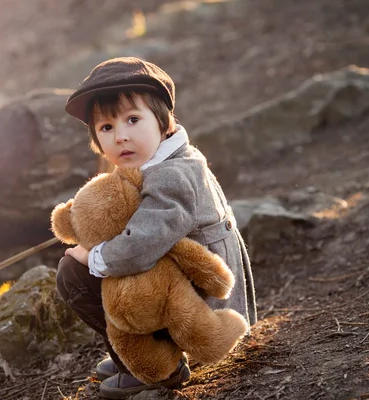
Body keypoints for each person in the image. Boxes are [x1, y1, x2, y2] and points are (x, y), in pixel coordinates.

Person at [55, 57, 256, 399]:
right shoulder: (161, 160)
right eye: (106, 128)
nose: (121, 137)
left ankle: (158, 365)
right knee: (89, 266)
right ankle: (132, 354)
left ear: (164, 122)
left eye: (133, 120)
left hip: (199, 308)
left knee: (74, 273)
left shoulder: (173, 174)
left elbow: (148, 239)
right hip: (179, 287)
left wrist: (96, 255)